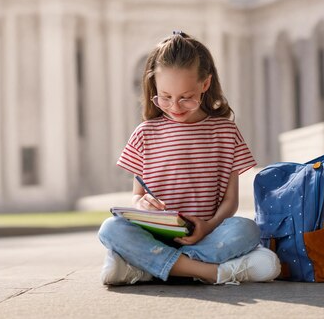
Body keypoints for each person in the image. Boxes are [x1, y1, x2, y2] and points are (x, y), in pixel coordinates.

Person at [98, 31, 281, 285]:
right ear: (155, 87)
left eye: (186, 97)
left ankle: (148, 268)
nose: (175, 107)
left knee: (247, 230)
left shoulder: (226, 132)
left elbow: (230, 201)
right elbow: (137, 197)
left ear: (205, 84)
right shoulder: (145, 133)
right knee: (110, 228)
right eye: (165, 97)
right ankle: (209, 272)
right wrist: (143, 205)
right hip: (155, 236)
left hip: (206, 234)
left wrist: (208, 226)